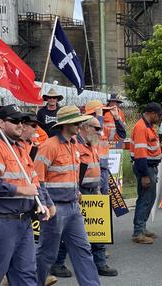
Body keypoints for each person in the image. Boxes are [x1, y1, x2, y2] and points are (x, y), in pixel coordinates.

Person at [35, 105, 101, 286]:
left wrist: (76, 191)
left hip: (73, 207)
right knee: (47, 253)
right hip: (55, 208)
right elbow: (37, 180)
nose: (80, 124)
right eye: (76, 122)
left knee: (83, 250)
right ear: (65, 124)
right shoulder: (49, 146)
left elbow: (70, 175)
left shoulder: (74, 145)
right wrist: (46, 204)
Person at [51, 117, 119, 277]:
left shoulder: (91, 145)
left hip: (92, 191)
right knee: (69, 231)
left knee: (98, 230)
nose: (100, 132)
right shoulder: (75, 145)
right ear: (86, 128)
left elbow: (96, 170)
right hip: (79, 192)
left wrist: (98, 189)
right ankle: (58, 264)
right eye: (96, 128)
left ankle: (100, 263)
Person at [0, 105, 52, 286]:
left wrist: (41, 203)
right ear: (1, 123)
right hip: (2, 221)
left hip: (24, 221)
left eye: (22, 121)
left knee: (26, 274)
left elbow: (34, 182)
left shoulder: (20, 149)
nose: (21, 125)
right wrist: (20, 191)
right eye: (15, 121)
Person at [130, 102, 162, 244]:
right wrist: (144, 175)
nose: (160, 118)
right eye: (159, 115)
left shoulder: (148, 126)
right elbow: (140, 153)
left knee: (149, 198)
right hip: (145, 168)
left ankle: (142, 228)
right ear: (152, 113)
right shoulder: (141, 127)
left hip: (150, 167)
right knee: (145, 198)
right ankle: (138, 231)